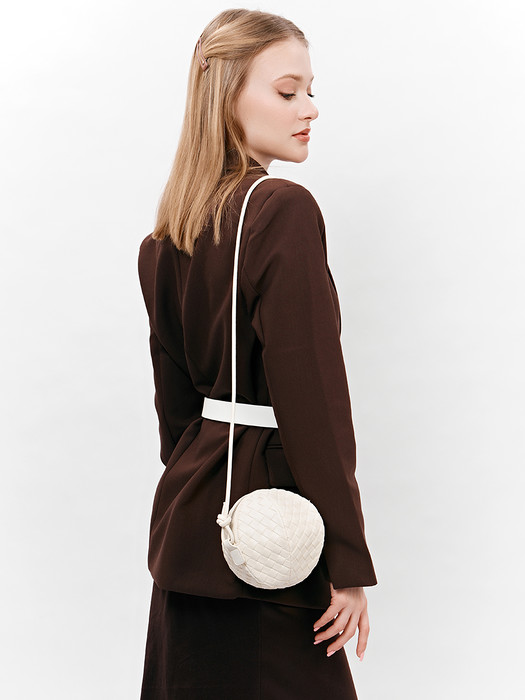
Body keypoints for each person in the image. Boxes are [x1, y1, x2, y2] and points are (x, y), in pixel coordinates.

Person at [137, 8, 378, 699]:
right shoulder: (281, 210)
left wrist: (201, 496)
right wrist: (347, 561)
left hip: (195, 532)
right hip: (272, 541)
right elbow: (313, 400)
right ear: (226, 94)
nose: (310, 108)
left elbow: (176, 418)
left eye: (310, 91)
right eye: (287, 90)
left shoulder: (165, 239)